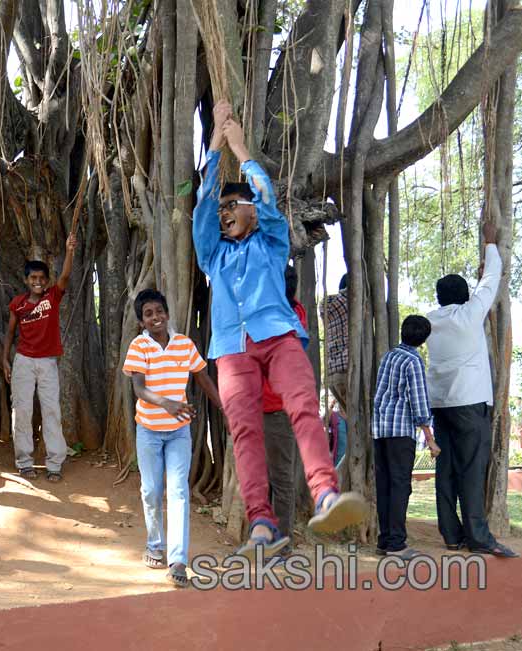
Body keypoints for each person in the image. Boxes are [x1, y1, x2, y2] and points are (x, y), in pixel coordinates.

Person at [192, 100, 367, 560]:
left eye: (235, 205)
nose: (226, 212)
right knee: (243, 431)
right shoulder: (214, 255)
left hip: (278, 336)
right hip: (232, 349)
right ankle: (262, 522)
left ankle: (326, 494)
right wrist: (213, 149)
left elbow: (266, 197)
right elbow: (201, 211)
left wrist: (240, 147)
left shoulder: (270, 241)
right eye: (223, 208)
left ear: (251, 209)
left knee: (304, 406)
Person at [427, 222, 518, 558]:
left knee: (446, 469)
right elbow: (491, 280)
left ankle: (451, 535)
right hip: (469, 405)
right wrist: (491, 243)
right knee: (472, 469)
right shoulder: (470, 314)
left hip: (439, 405)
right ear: (465, 296)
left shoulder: (430, 321)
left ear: (439, 297)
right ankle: (479, 537)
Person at [123, 289, 222, 588]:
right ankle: (155, 544)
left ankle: (178, 560)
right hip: (149, 431)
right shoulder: (139, 347)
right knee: (151, 491)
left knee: (178, 492)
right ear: (142, 321)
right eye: (149, 314)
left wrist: (223, 407)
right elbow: (138, 389)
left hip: (179, 431)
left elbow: (203, 377)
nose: (155, 318)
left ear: (167, 313)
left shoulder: (184, 345)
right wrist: (166, 403)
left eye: (159, 311)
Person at [2, 233, 78, 482]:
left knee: (51, 410)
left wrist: (69, 250)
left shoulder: (52, 297)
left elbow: (65, 276)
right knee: (22, 410)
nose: (37, 281)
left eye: (41, 278)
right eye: (33, 278)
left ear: (47, 282)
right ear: (26, 280)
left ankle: (55, 463)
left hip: (47, 362)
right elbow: (11, 332)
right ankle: (24, 462)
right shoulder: (18, 304)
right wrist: (5, 359)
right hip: (23, 360)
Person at [372, 315, 441, 560]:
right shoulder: (413, 361)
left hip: (380, 432)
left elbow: (378, 396)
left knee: (385, 485)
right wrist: (430, 439)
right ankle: (397, 544)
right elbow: (420, 403)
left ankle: (384, 540)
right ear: (424, 339)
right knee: (401, 486)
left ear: (402, 331)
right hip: (401, 433)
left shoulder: (388, 357)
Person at [261, 265, 307, 549]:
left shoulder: (282, 318)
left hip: (276, 408)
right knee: (264, 478)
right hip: (262, 406)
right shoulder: (295, 312)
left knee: (280, 479)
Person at [321, 274, 349, 414]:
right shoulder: (350, 302)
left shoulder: (326, 305)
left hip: (332, 373)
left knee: (349, 418)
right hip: (348, 370)